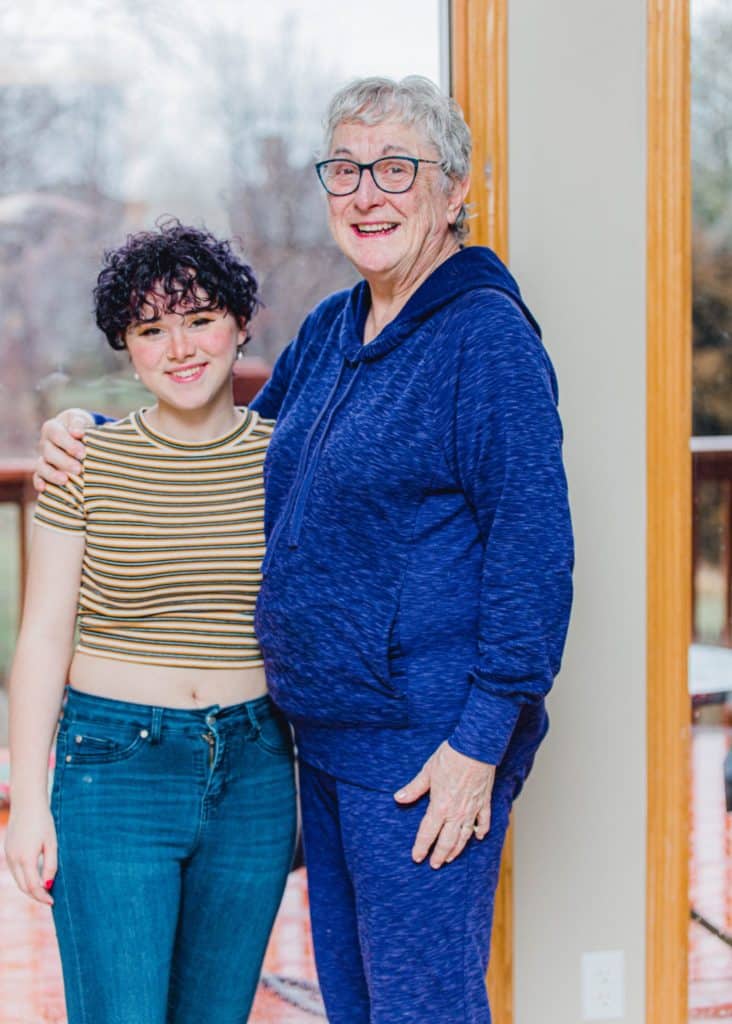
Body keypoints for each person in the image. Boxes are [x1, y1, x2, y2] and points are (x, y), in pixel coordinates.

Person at [34, 77, 573, 1024]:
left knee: (422, 1008)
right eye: (346, 169)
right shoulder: (333, 329)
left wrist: (478, 743)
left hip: (422, 750)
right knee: (360, 1005)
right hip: (322, 742)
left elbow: (535, 552)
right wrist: (98, 430)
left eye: (397, 168)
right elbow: (226, 439)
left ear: (454, 193)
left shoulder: (485, 341)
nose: (368, 192)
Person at [6, 222, 297, 1024]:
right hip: (114, 771)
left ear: (241, 323)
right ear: (126, 349)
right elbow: (41, 638)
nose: (179, 348)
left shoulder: (291, 458)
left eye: (199, 318)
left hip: (256, 772)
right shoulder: (84, 462)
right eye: (149, 328)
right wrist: (27, 801)